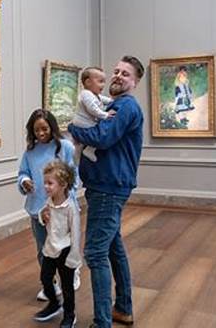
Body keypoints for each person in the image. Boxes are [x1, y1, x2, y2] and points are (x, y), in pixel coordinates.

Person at [67, 55, 145, 328]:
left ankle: (102, 322)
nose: (118, 76)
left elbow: (102, 137)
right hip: (108, 186)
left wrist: (72, 128)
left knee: (95, 253)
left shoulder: (125, 107)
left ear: (135, 82)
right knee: (113, 247)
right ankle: (122, 309)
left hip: (107, 188)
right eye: (116, 71)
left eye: (126, 74)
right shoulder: (114, 105)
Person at [17, 109, 80, 302]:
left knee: (64, 247)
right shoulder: (30, 152)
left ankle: (72, 273)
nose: (41, 133)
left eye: (44, 128)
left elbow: (74, 176)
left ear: (52, 127)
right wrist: (24, 182)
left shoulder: (65, 147)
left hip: (62, 209)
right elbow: (22, 173)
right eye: (36, 130)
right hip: (38, 208)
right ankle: (50, 284)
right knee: (44, 249)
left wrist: (66, 198)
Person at [33, 160, 82, 328]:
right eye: (45, 183)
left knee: (67, 287)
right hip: (50, 248)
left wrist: (74, 256)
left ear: (63, 185)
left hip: (66, 251)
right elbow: (44, 217)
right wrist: (42, 216)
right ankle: (54, 303)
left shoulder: (71, 208)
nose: (46, 186)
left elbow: (76, 233)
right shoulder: (49, 202)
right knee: (45, 278)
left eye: (50, 183)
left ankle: (70, 315)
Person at [71, 67, 115, 163]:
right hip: (83, 123)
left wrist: (113, 101)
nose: (103, 85)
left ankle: (79, 154)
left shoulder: (94, 94)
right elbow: (92, 109)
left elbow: (103, 99)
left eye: (104, 82)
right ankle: (89, 150)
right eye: (100, 81)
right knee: (97, 133)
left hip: (85, 122)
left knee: (80, 145)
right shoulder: (86, 94)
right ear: (88, 82)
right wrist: (105, 115)